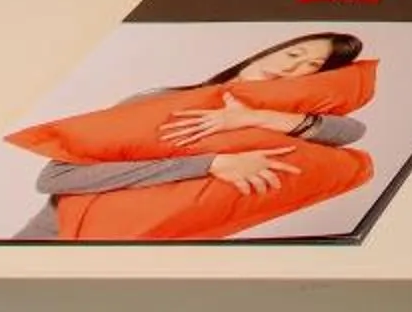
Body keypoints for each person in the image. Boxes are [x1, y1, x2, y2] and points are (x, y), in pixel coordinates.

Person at [20, 34, 371, 241]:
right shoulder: (157, 101)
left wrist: (251, 117)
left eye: (312, 66)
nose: (291, 67)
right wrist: (211, 164)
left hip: (149, 263)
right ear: (264, 53)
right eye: (293, 54)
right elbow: (56, 177)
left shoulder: (271, 121)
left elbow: (349, 133)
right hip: (51, 241)